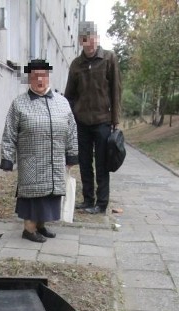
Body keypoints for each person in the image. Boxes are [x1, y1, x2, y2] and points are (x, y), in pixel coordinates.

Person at [0, 59, 79, 243]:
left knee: (49, 194)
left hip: (55, 159)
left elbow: (72, 130)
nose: (40, 80)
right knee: (34, 197)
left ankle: (41, 226)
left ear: (48, 76)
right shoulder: (19, 104)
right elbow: (9, 132)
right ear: (29, 79)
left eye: (43, 75)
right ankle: (29, 229)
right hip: (31, 161)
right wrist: (7, 158)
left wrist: (72, 154)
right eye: (35, 76)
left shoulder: (62, 102)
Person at [64, 21, 121, 215]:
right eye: (86, 39)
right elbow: (69, 96)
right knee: (85, 162)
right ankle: (88, 199)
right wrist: (70, 120)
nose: (91, 43)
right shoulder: (76, 65)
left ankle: (101, 203)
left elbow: (115, 90)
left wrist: (115, 118)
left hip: (103, 121)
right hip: (81, 123)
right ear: (81, 40)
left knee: (102, 163)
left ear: (97, 38)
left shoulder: (108, 58)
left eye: (94, 38)